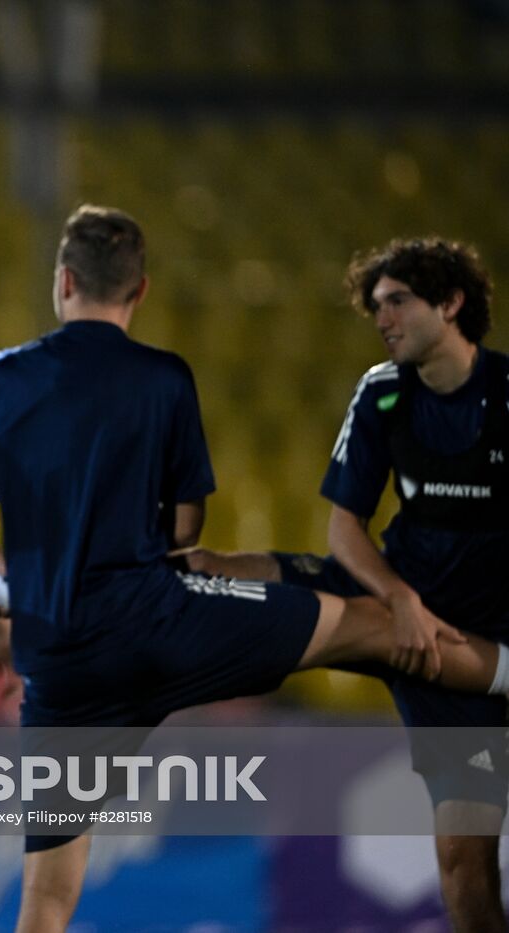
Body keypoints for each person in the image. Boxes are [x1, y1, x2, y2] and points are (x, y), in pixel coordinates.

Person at [0, 206, 509, 933]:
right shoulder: (167, 377)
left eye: (397, 302)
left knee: (45, 894)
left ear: (63, 280)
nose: (383, 316)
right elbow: (186, 528)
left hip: (64, 666)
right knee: (374, 624)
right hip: (167, 625)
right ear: (141, 291)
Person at [185, 237, 509, 932]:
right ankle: (114, 608)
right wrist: (401, 600)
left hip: (479, 638)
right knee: (211, 568)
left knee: (464, 862)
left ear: (452, 303)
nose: (382, 318)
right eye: (376, 306)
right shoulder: (384, 391)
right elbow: (344, 532)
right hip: (397, 596)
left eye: (398, 302)